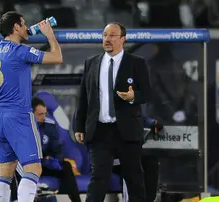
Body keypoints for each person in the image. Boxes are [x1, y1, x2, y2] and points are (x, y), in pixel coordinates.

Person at [0, 11, 63, 202]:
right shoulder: (21, 51)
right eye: (23, 23)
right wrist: (49, 34)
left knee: (5, 170)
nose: (27, 27)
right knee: (33, 168)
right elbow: (57, 57)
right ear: (16, 28)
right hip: (19, 115)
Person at [74, 22, 152, 202]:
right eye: (104, 35)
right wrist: (80, 126)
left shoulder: (136, 63)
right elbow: (84, 97)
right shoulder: (91, 63)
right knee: (98, 178)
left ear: (123, 39)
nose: (107, 39)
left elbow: (147, 93)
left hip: (127, 130)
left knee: (134, 178)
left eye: (112, 35)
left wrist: (133, 96)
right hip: (100, 131)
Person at [32, 97, 81, 202]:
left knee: (66, 166)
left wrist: (57, 160)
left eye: (45, 113)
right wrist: (44, 161)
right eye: (40, 114)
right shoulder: (24, 128)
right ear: (31, 114)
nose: (44, 117)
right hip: (32, 166)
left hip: (47, 164)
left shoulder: (49, 125)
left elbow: (57, 147)